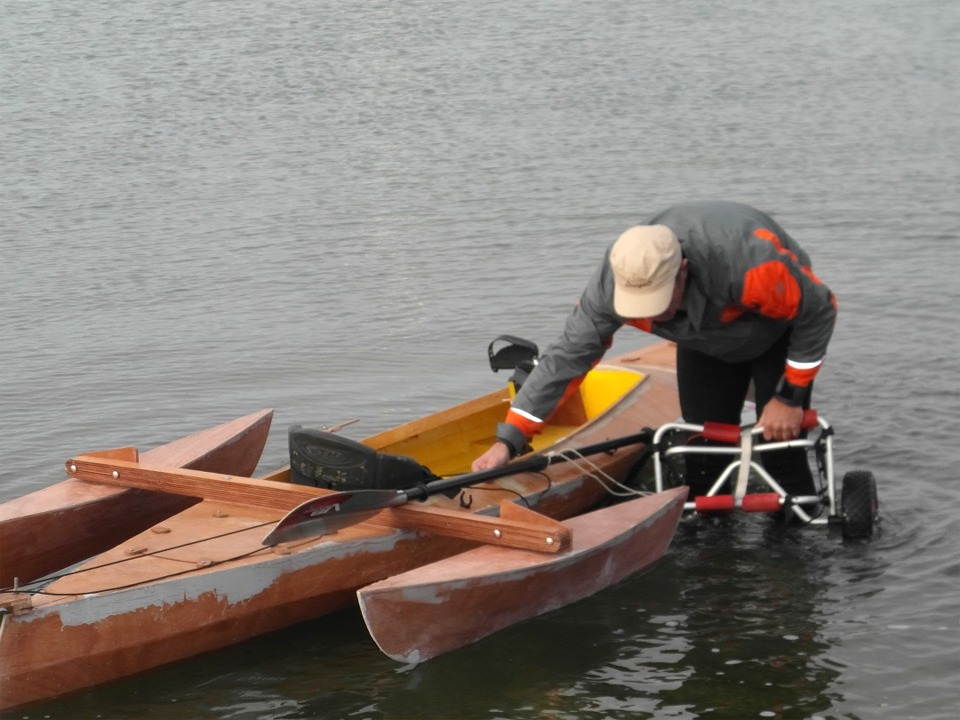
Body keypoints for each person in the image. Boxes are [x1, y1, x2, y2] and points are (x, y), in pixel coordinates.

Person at [472, 200, 837, 498]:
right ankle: (711, 547)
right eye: (639, 304)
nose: (650, 314)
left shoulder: (750, 265)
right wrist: (510, 439)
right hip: (702, 343)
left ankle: (794, 537)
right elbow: (567, 357)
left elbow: (819, 310)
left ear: (682, 270)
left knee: (779, 451)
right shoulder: (612, 282)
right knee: (703, 453)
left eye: (657, 300)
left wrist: (789, 397)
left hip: (773, 330)